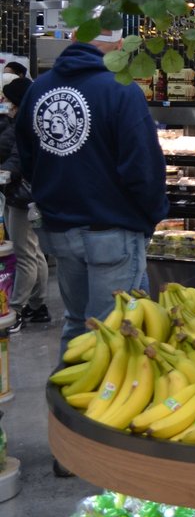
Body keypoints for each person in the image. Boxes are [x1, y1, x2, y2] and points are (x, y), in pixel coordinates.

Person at [16, 28, 169, 349]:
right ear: (117, 45)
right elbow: (142, 167)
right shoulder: (121, 90)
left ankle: (66, 396)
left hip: (59, 229)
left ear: (72, 38)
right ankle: (105, 398)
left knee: (77, 322)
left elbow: (28, 159)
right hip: (113, 230)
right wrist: (152, 216)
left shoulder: (39, 89)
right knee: (113, 330)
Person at [0, 75, 47, 328]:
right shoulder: (22, 120)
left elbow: (17, 159)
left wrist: (4, 173)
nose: (4, 103)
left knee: (24, 253)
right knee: (34, 251)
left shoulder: (24, 124)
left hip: (21, 196)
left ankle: (16, 309)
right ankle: (38, 305)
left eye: (7, 99)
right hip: (24, 195)